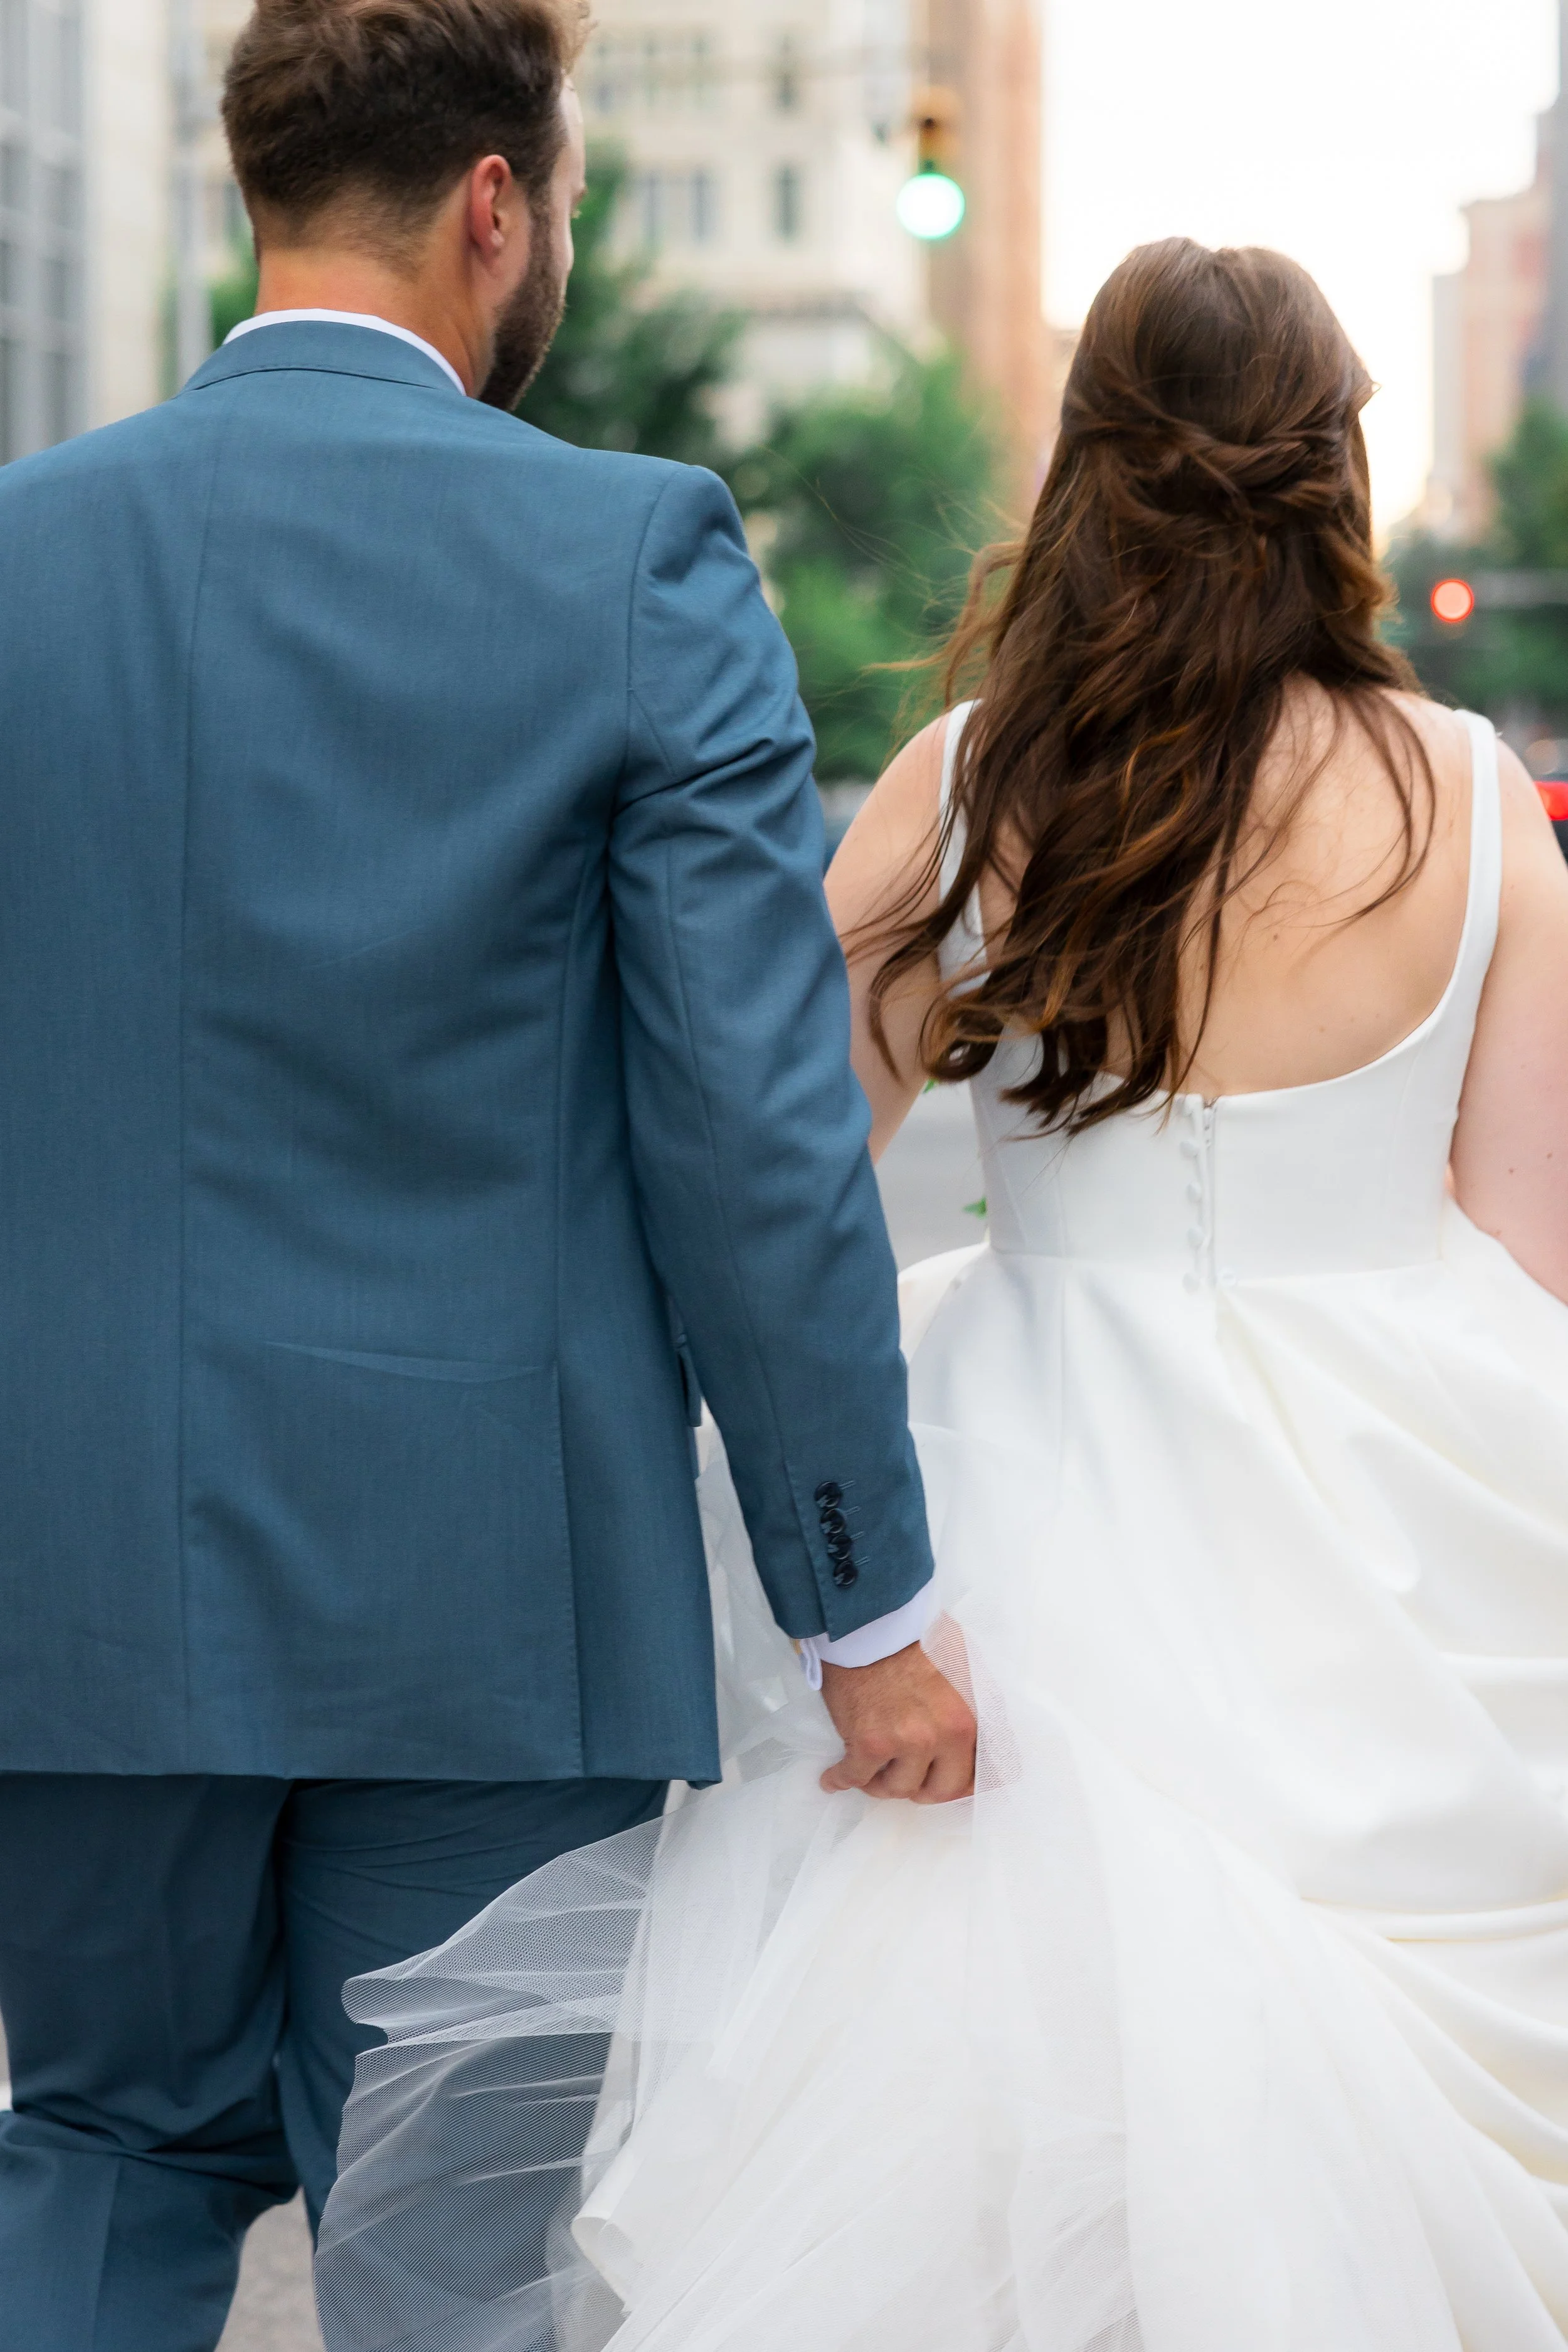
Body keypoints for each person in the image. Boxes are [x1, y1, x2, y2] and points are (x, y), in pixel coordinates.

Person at [316, 240, 1568, 2351]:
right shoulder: (1473, 803)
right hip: (1404, 1541)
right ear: (1334, 475)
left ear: (1084, 465)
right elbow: (1530, 1246)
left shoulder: (976, 786)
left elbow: (763, 1161)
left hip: (1031, 1511)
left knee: (970, 2170)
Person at [0, 0, 977, 2340]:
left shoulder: (21, 557)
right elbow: (751, 1133)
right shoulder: (633, 560)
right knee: (451, 2249)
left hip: (79, 1577)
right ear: (492, 204)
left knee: (98, 2152)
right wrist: (861, 1605)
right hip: (491, 1620)